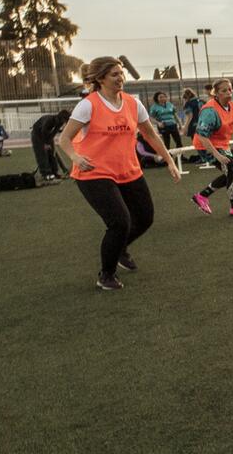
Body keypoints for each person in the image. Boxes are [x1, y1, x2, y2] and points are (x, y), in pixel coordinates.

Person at [56, 56, 181, 290]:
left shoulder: (133, 104)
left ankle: (120, 248)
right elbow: (64, 139)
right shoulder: (88, 104)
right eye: (114, 74)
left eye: (121, 73)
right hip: (94, 172)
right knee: (119, 222)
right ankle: (106, 275)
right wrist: (75, 157)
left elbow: (151, 135)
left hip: (128, 169)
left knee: (145, 217)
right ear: (100, 78)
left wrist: (169, 160)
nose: (120, 78)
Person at [190, 78, 233, 217]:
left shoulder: (231, 104)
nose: (228, 92)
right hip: (205, 146)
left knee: (231, 172)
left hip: (221, 145)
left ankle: (202, 196)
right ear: (216, 93)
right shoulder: (209, 111)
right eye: (224, 90)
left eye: (230, 89)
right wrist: (217, 155)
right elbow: (202, 136)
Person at [29, 110, 71, 181]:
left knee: (53, 153)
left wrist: (50, 143)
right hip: (37, 135)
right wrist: (45, 143)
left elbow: (54, 132)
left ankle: (55, 172)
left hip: (47, 135)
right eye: (65, 120)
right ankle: (46, 174)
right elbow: (43, 131)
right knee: (42, 154)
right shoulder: (49, 120)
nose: (65, 123)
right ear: (62, 118)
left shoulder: (59, 122)